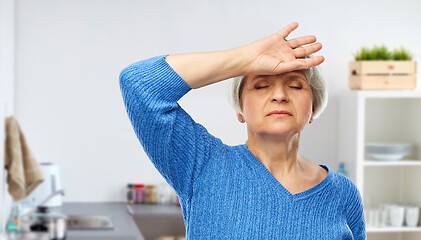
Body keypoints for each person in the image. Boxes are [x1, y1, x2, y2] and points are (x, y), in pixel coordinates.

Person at [119, 22, 366, 239]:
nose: (279, 95)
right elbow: (139, 83)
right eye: (261, 86)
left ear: (313, 108)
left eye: (294, 85)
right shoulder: (203, 165)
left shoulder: (343, 194)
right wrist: (246, 59)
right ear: (239, 109)